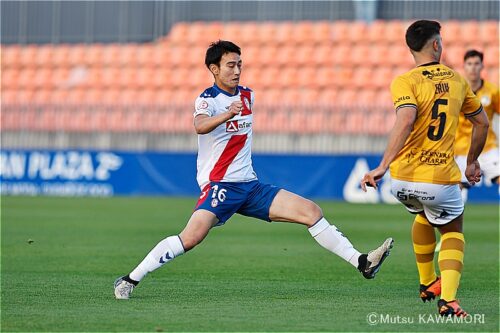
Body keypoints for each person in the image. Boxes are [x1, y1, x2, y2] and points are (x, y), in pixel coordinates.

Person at [114, 40, 393, 300]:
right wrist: (226, 114)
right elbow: (199, 126)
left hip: (250, 186)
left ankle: (362, 262)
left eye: (239, 64)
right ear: (214, 69)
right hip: (220, 187)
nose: (237, 70)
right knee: (191, 238)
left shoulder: (248, 95)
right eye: (230, 65)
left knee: (312, 212)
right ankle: (129, 279)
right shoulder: (207, 100)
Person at [361, 20, 489, 317]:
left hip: (402, 180)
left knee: (423, 214)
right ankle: (449, 300)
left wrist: (382, 166)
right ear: (436, 45)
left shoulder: (404, 81)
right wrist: (471, 161)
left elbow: (405, 120)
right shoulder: (457, 81)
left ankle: (426, 280)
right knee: (453, 230)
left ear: (410, 48)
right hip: (439, 179)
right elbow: (481, 122)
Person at [455, 49, 499, 198]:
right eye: (469, 64)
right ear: (464, 66)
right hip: (461, 149)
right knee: (456, 190)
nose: (473, 67)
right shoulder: (456, 91)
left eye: (476, 64)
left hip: (487, 147)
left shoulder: (493, 91)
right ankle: (451, 220)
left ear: (482, 66)